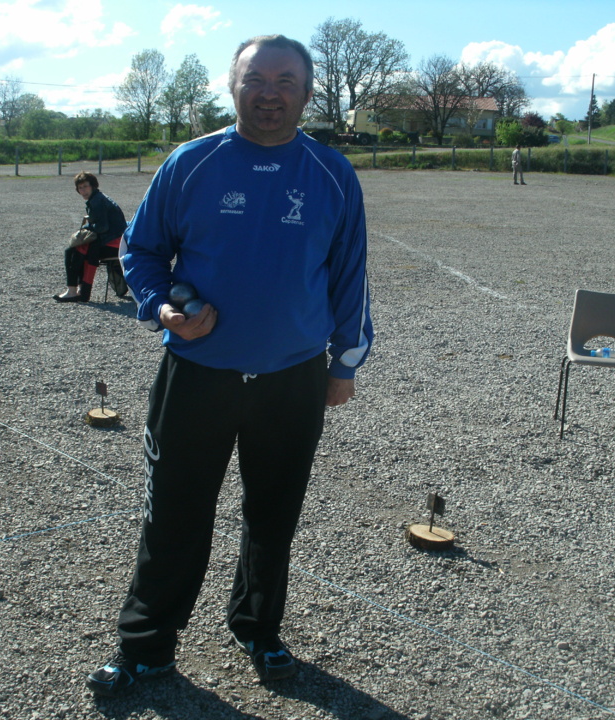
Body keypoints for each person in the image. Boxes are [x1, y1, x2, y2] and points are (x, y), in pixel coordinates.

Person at [86, 34, 373, 698]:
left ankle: (257, 627)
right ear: (232, 84)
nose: (269, 92)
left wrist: (344, 363)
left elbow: (350, 276)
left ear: (306, 92)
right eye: (256, 79)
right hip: (198, 374)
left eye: (285, 81)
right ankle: (146, 646)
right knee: (175, 512)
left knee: (274, 516)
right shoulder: (190, 163)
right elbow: (141, 251)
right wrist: (162, 309)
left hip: (293, 377)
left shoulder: (332, 173)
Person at [53, 171, 128, 302]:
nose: (83, 190)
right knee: (78, 249)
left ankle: (73, 291)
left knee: (72, 251)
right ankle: (81, 291)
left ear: (93, 186)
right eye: (80, 188)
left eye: (86, 186)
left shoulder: (97, 201)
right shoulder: (97, 198)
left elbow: (102, 227)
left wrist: (85, 229)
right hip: (117, 240)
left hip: (114, 244)